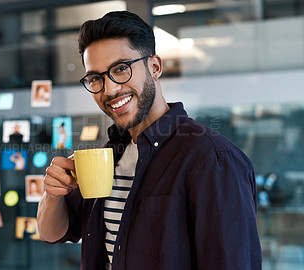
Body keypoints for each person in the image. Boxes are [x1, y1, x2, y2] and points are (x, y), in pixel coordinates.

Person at [37, 11, 262, 270]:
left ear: (154, 67)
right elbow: (52, 233)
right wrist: (53, 195)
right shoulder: (110, 154)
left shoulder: (213, 159)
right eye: (95, 78)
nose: (109, 89)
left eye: (121, 69)